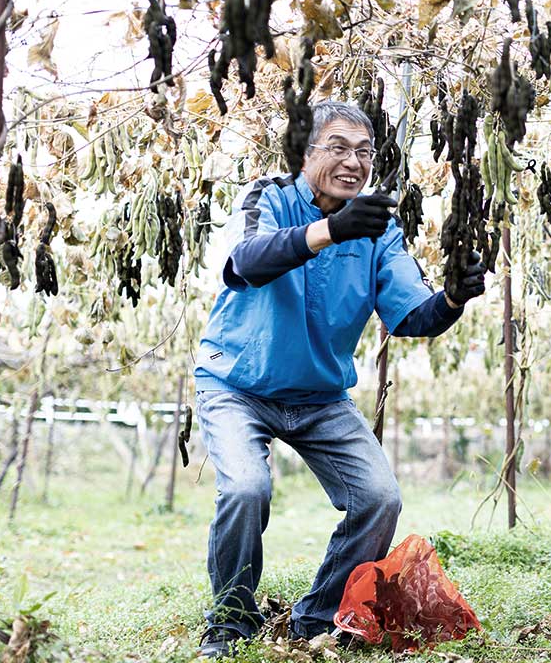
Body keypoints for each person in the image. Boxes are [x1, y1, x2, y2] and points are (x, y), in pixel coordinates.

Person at [192, 101, 486, 658]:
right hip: (237, 385)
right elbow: (246, 262)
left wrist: (452, 297)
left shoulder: (379, 230)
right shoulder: (269, 197)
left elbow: (409, 317)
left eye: (364, 151)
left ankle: (319, 617)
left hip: (320, 395)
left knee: (378, 497)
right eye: (338, 147)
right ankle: (230, 618)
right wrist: (330, 229)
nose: (353, 162)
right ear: (305, 154)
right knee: (246, 488)